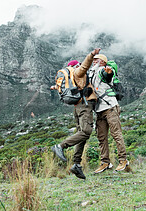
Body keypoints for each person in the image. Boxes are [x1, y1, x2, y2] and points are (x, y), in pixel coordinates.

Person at [51, 48, 101, 179]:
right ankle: (60, 146)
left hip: (77, 106)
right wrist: (92, 55)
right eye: (78, 65)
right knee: (86, 132)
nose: (80, 66)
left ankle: (77, 165)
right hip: (84, 105)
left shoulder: (71, 77)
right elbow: (85, 65)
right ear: (75, 66)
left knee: (82, 135)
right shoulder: (78, 72)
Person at [88, 54, 129, 173]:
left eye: (97, 59)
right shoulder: (91, 74)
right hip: (99, 110)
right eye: (93, 59)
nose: (94, 61)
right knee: (101, 137)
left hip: (110, 107)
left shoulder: (102, 70)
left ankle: (123, 160)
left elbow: (107, 75)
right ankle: (105, 162)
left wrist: (109, 72)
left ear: (103, 62)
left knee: (116, 134)